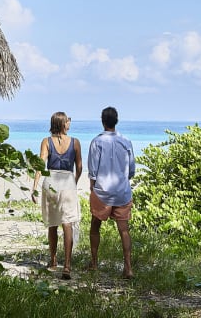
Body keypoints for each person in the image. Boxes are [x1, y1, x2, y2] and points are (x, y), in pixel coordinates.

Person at [86, 105, 136, 278]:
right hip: (122, 192)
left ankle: (94, 263)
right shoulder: (126, 141)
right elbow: (131, 170)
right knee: (124, 230)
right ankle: (128, 267)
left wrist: (92, 188)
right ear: (117, 121)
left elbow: (93, 170)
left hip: (102, 192)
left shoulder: (97, 142)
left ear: (102, 121)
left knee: (95, 227)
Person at [32, 111, 82, 279]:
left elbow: (40, 165)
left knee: (53, 224)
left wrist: (34, 187)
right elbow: (80, 167)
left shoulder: (46, 141)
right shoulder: (75, 142)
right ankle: (67, 265)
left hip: (51, 182)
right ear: (62, 123)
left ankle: (53, 261)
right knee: (67, 223)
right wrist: (74, 181)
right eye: (68, 121)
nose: (69, 123)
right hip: (67, 182)